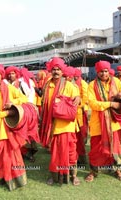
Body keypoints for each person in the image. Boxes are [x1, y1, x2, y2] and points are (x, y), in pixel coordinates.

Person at [0, 64, 28, 192]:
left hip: (8, 128)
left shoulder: (9, 88)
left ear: (1, 75)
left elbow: (23, 98)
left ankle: (14, 180)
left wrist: (13, 103)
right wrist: (5, 114)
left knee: (10, 154)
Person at [85, 60, 121, 182]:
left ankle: (117, 170)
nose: (104, 74)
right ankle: (93, 171)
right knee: (95, 149)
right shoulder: (92, 85)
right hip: (97, 124)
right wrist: (111, 104)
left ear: (109, 71)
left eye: (105, 71)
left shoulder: (115, 82)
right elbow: (93, 104)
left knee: (115, 147)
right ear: (97, 72)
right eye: (101, 71)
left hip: (113, 123)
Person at [40, 57, 81, 186]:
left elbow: (76, 101)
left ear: (62, 71)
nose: (56, 71)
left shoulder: (69, 85)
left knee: (71, 153)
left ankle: (73, 176)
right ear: (50, 71)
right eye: (54, 69)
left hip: (67, 126)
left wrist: (78, 98)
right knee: (55, 154)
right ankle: (54, 176)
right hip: (53, 126)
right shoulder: (47, 85)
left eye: (58, 69)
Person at [74, 68, 89, 165]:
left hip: (82, 111)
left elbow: (85, 97)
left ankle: (81, 157)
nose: (74, 77)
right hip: (74, 112)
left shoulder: (83, 83)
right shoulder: (71, 83)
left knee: (81, 134)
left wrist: (78, 105)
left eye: (76, 75)